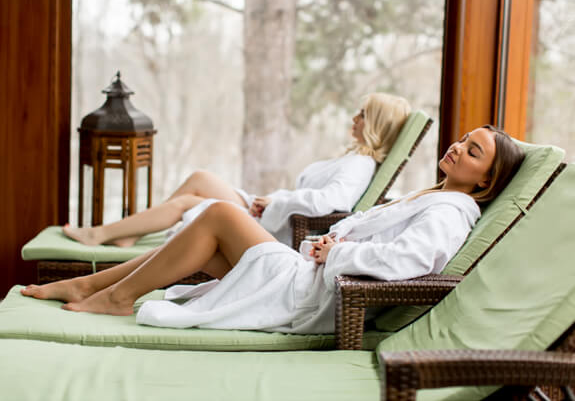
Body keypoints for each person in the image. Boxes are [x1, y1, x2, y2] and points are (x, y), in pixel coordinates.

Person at [21, 125, 525, 334]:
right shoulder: (437, 196)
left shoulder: (452, 212)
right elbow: (370, 237)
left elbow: (410, 262)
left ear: (487, 180)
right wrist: (331, 242)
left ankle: (107, 294)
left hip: (323, 297)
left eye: (472, 151)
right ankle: (92, 284)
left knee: (219, 216)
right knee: (203, 238)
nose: (458, 147)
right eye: (462, 140)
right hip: (311, 274)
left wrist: (336, 255)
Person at [63, 92, 412, 247]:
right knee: (199, 178)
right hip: (272, 212)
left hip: (275, 229)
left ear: (376, 124)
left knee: (187, 202)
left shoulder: (360, 165)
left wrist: (274, 204)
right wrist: (273, 199)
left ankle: (102, 234)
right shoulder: (354, 158)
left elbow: (327, 203)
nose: (355, 118)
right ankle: (128, 234)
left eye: (363, 114)